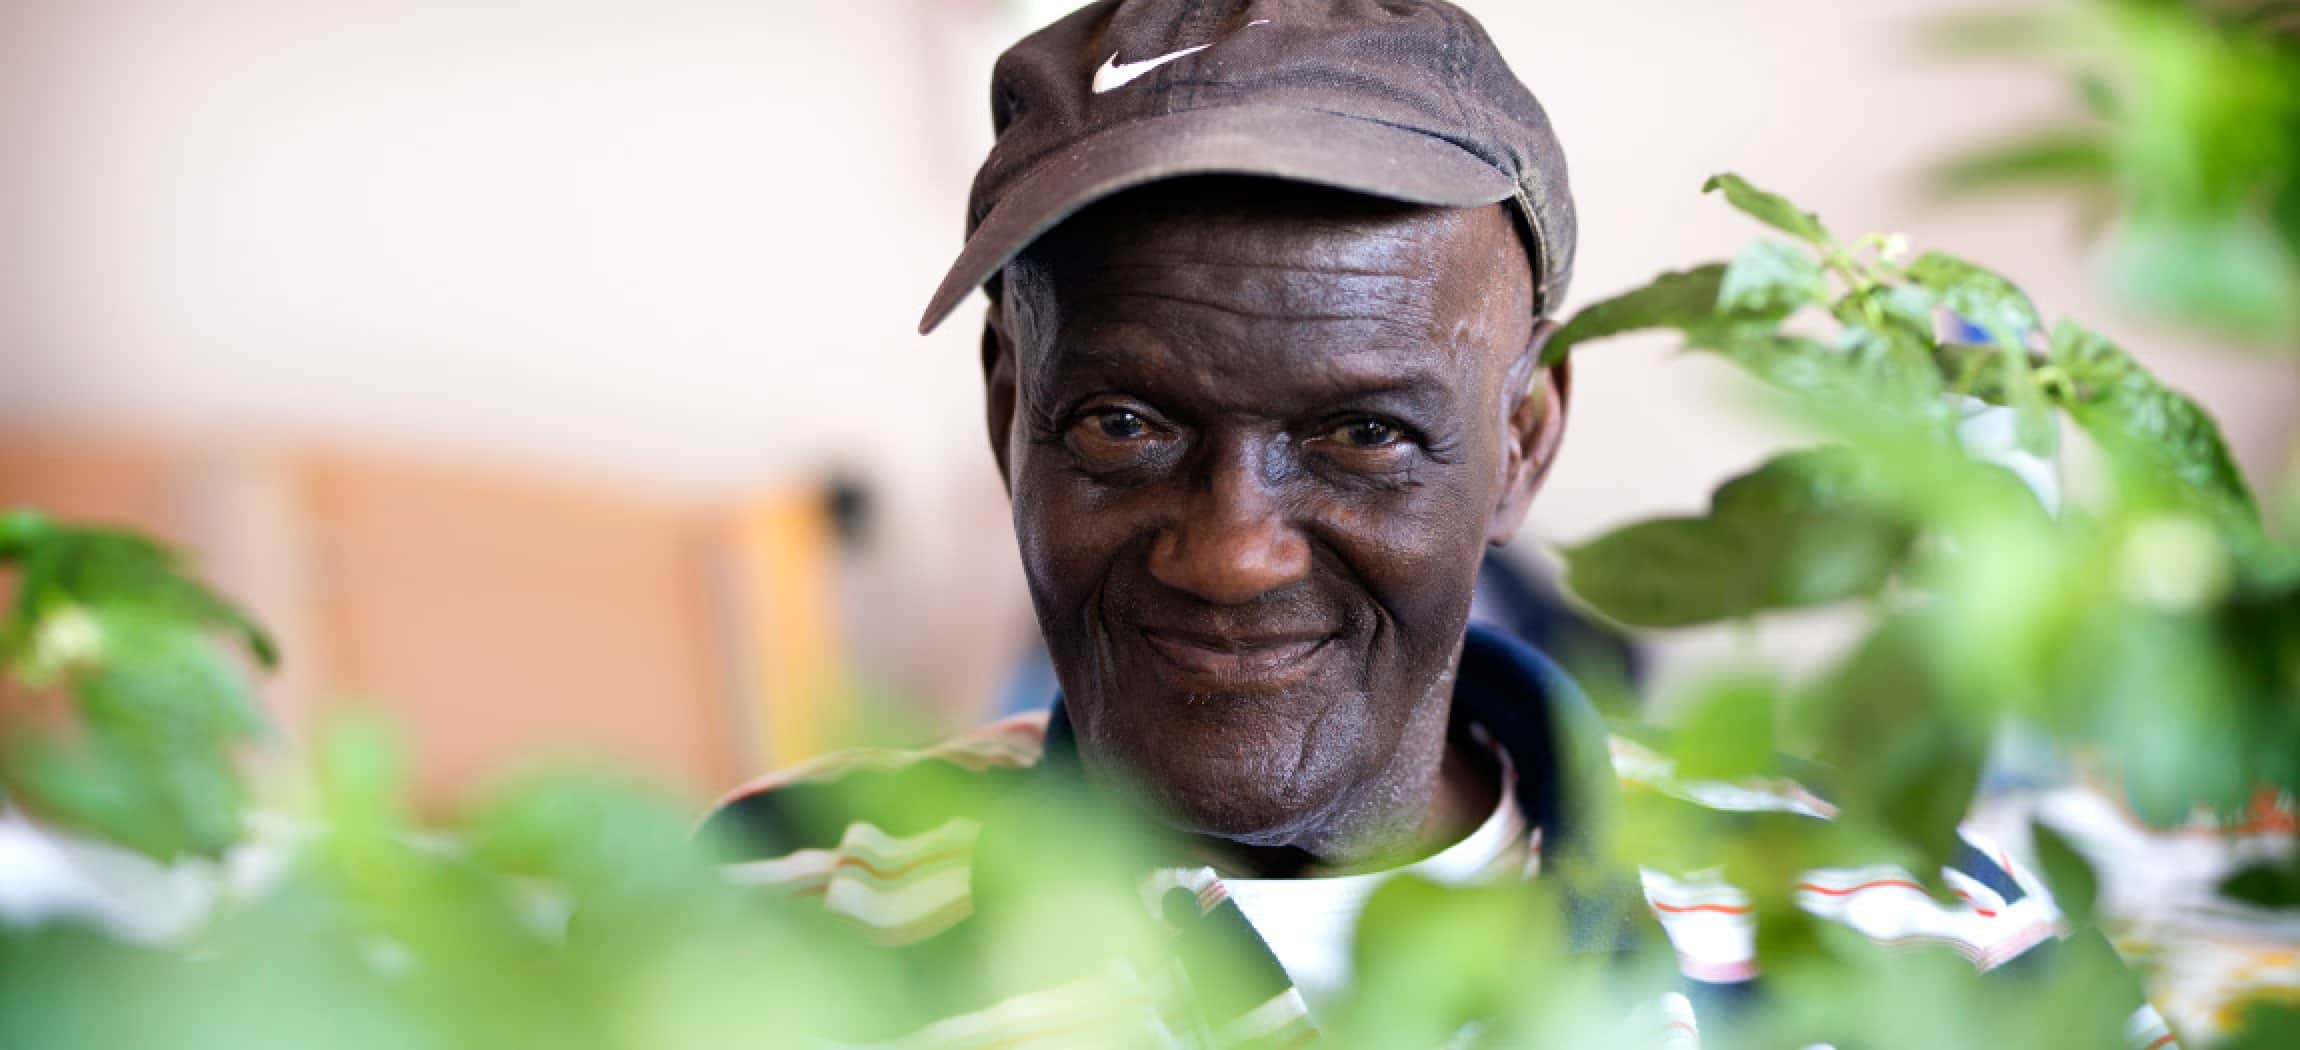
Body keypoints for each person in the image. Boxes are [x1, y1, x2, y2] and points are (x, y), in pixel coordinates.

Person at [702, 2, 2166, 1046]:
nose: (1231, 549)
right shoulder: (744, 922)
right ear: (1010, 404)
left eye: (1364, 436)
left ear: (1522, 440)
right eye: (1126, 427)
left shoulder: (1932, 944)